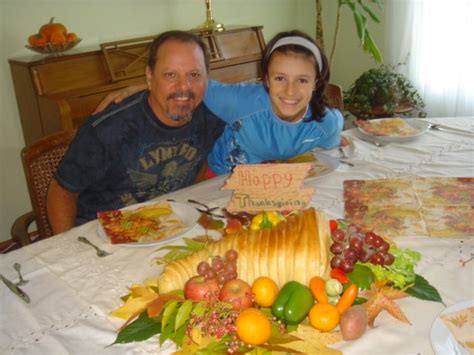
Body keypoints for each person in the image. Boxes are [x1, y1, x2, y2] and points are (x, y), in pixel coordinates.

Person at [95, 30, 344, 177]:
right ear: (266, 79)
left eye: (302, 80)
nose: (290, 91)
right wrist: (144, 84)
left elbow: (330, 150)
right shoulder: (239, 102)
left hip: (278, 183)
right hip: (221, 181)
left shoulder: (326, 123)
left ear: (316, 82)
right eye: (280, 78)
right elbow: (189, 84)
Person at [47, 30, 225, 234]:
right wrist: (70, 247)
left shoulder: (213, 114)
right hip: (102, 232)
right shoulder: (109, 129)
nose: (183, 87)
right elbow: (61, 191)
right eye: (170, 75)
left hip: (169, 223)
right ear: (150, 76)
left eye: (194, 75)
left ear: (207, 78)